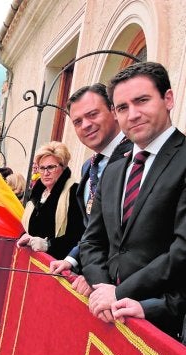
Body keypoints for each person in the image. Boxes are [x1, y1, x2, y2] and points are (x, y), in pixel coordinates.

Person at [79, 62, 186, 337]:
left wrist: (121, 292)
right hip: (108, 317)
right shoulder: (114, 170)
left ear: (168, 99)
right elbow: (92, 241)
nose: (133, 114)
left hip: (163, 320)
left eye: (142, 101)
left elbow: (182, 250)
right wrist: (102, 287)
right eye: (123, 108)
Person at [49, 83, 133, 279]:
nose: (85, 125)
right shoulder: (89, 166)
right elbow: (94, 228)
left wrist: (97, 278)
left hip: (126, 285)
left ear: (113, 111)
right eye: (77, 121)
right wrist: (71, 260)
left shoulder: (138, 155)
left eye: (92, 114)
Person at [17, 142, 85, 260]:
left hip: (58, 264)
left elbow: (78, 236)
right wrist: (24, 236)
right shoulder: (36, 194)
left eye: (51, 167)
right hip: (31, 261)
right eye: (42, 168)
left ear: (63, 167)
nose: (45, 173)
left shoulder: (74, 192)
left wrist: (48, 245)